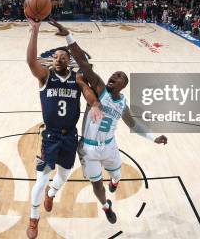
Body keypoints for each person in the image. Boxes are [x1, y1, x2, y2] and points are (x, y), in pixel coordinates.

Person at [49, 20, 168, 224]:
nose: (114, 76)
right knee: (97, 185)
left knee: (116, 176)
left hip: (110, 147)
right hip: (89, 149)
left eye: (119, 76)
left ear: (123, 85)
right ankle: (106, 207)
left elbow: (134, 126)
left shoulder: (122, 104)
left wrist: (154, 137)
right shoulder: (100, 89)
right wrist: (69, 36)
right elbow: (83, 63)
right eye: (114, 74)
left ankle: (115, 181)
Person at [25, 18, 103, 239]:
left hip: (71, 136)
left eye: (63, 57)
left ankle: (52, 194)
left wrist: (95, 103)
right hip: (50, 136)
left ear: (69, 61)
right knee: (41, 179)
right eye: (56, 56)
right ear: (52, 60)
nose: (59, 58)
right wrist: (35, 30)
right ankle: (33, 217)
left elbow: (87, 92)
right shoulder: (45, 76)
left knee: (65, 175)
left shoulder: (76, 78)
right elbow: (31, 61)